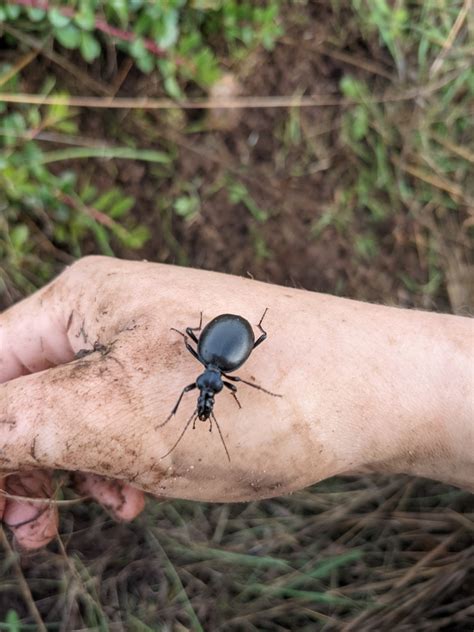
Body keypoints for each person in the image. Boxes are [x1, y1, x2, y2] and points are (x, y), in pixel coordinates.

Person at [0, 256, 472, 550]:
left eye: (207, 394)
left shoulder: (208, 365)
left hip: (225, 334)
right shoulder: (210, 368)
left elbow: (213, 365)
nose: (206, 394)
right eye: (210, 393)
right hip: (228, 334)